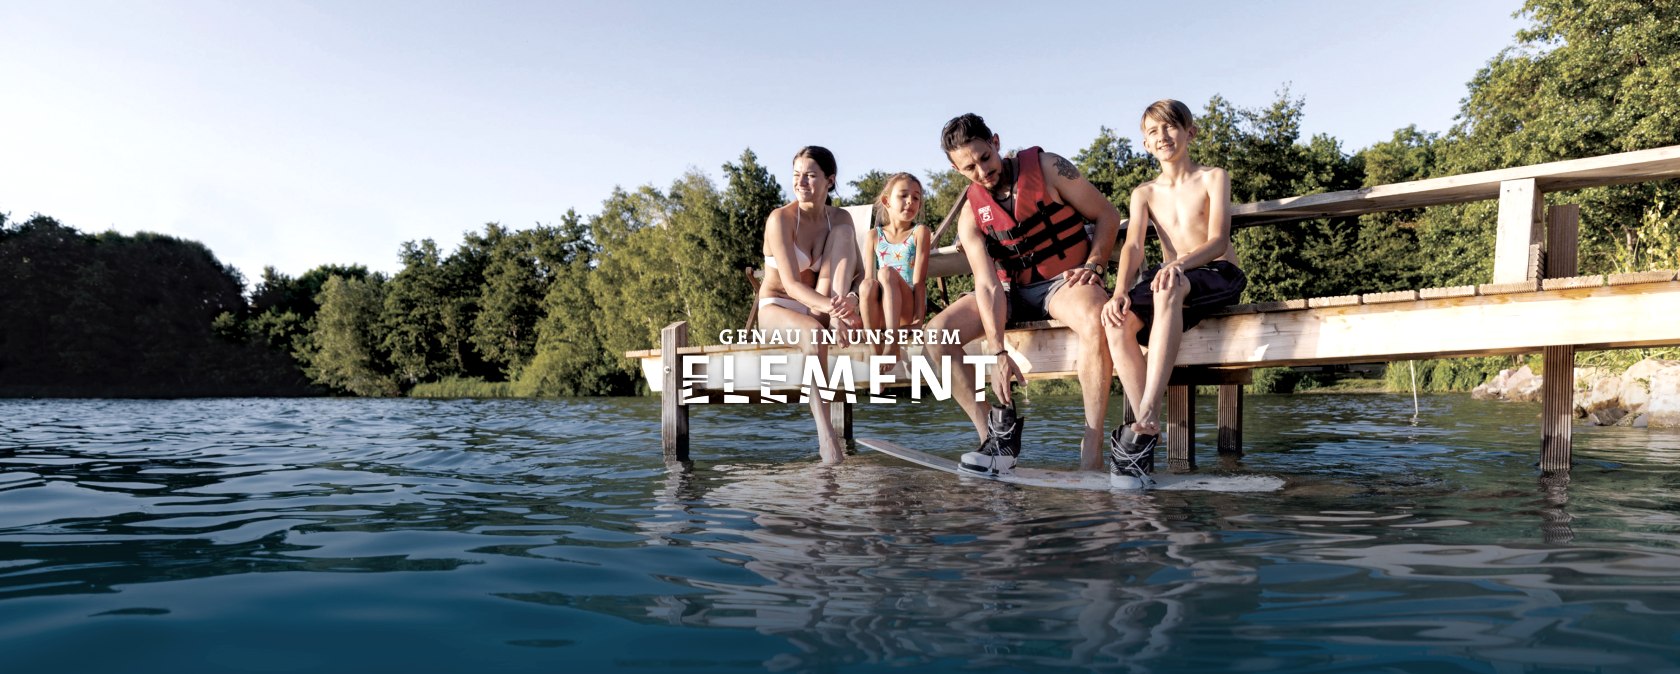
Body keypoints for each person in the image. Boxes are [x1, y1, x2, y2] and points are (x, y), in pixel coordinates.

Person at [922, 113, 1122, 475]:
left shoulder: (1049, 168)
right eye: (969, 167)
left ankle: (1091, 444)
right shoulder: (971, 213)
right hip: (1010, 291)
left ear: (996, 143)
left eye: (985, 157)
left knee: (1096, 319)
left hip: (1063, 282)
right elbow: (986, 284)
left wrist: (1095, 265)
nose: (982, 171)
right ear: (957, 169)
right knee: (936, 336)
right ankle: (996, 439)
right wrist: (998, 350)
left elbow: (1107, 214)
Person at [1103, 100, 1247, 486]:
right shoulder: (1144, 193)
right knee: (1116, 323)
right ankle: (1146, 433)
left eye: (1169, 127)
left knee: (1169, 285)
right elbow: (1132, 247)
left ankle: (1145, 414)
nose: (1162, 136)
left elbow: (1218, 240)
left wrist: (1180, 264)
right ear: (1145, 144)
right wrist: (1118, 292)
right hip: (1169, 278)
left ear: (1189, 132)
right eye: (1152, 132)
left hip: (1214, 272)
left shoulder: (1213, 177)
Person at [757, 145, 863, 463]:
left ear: (830, 180)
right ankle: (827, 439)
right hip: (779, 307)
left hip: (823, 306)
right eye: (796, 175)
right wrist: (835, 309)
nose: (801, 182)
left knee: (844, 232)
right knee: (815, 335)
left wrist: (850, 302)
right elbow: (790, 284)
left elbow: (858, 274)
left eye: (810, 175)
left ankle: (837, 321)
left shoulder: (839, 218)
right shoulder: (781, 219)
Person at [858, 172, 932, 371]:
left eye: (916, 198)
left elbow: (919, 282)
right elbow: (868, 284)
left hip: (905, 310)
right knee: (867, 284)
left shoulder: (920, 232)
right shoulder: (874, 236)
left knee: (886, 273)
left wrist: (918, 322)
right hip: (880, 314)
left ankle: (892, 344)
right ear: (886, 201)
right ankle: (876, 353)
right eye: (903, 196)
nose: (910, 201)